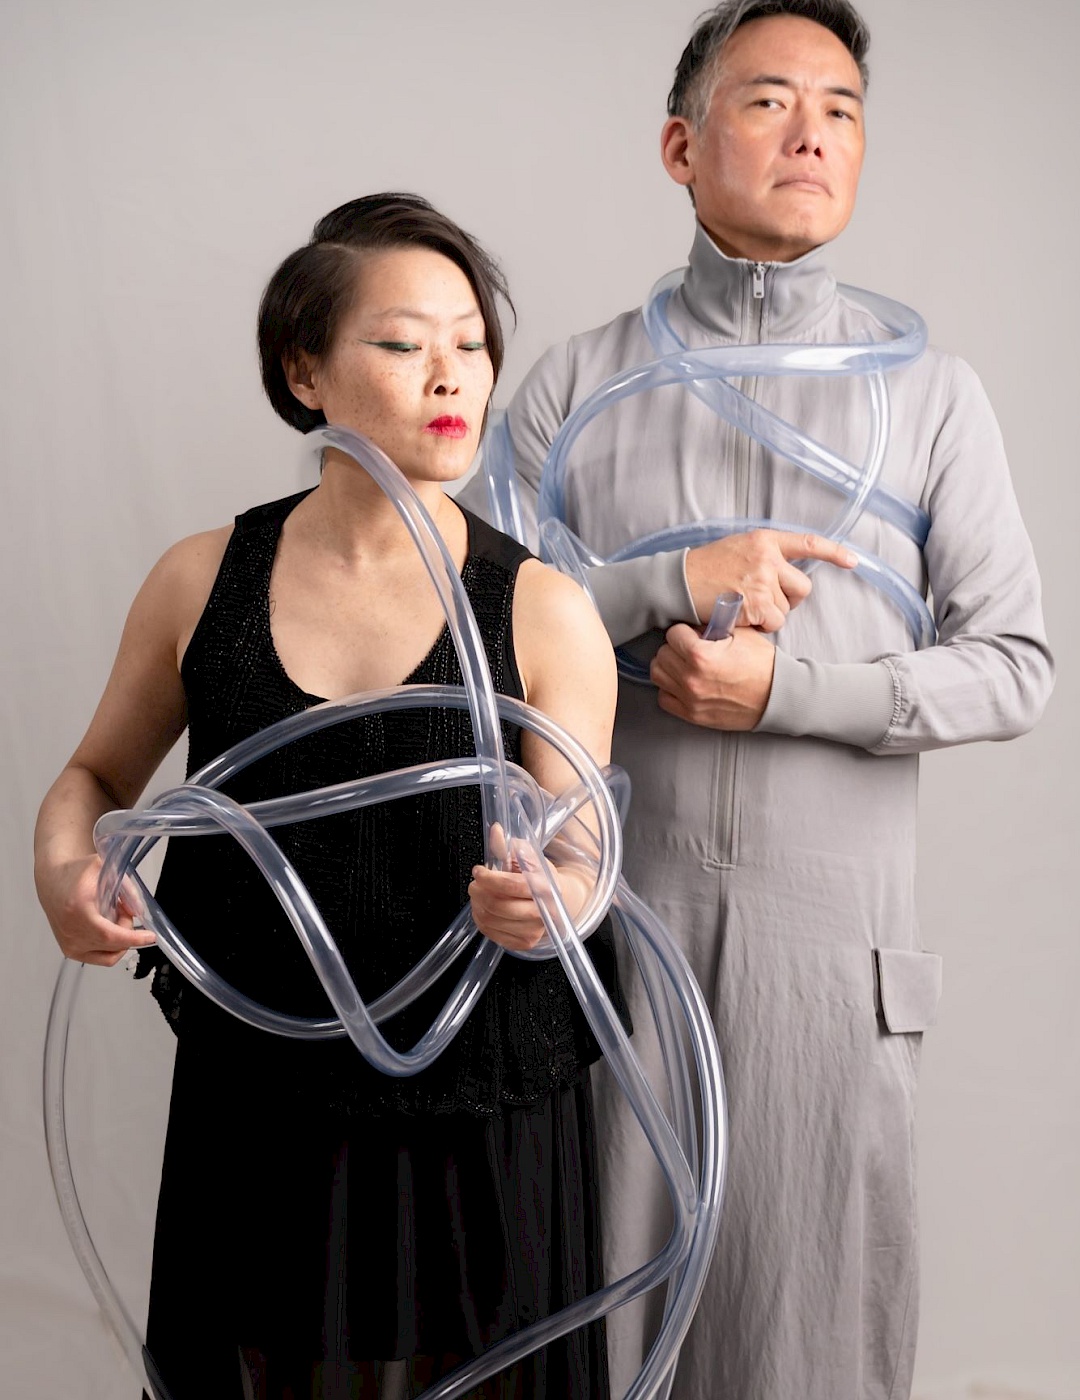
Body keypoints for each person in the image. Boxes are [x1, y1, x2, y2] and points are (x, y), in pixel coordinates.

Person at [458, 3, 1055, 1397]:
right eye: (771, 101)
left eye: (841, 111)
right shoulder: (572, 388)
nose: (811, 134)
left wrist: (788, 691)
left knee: (813, 1340)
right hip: (614, 918)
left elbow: (1014, 664)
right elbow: (475, 649)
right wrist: (658, 583)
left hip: (830, 954)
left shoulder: (932, 395)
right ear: (681, 143)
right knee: (599, 1318)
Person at [34, 193, 628, 1400]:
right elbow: (94, 778)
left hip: (479, 1099)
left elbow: (587, 854)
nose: (448, 373)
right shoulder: (202, 579)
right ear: (305, 368)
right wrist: (62, 873)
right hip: (266, 1095)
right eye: (404, 344)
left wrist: (547, 897)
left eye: (470, 342)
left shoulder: (543, 608)